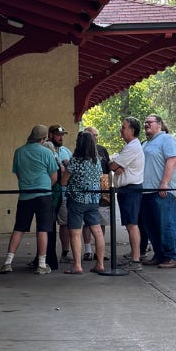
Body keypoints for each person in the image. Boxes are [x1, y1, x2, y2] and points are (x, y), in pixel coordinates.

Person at [0, 125, 57, 275]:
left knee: (19, 228)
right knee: (43, 229)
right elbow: (54, 176)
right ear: (42, 139)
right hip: (44, 194)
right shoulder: (47, 152)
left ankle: (7, 262)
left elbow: (18, 173)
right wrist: (45, 186)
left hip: (25, 195)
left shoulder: (19, 152)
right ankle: (42, 264)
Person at [59, 130, 105, 273]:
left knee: (75, 233)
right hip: (93, 199)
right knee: (97, 232)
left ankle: (77, 265)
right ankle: (100, 264)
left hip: (76, 200)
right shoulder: (97, 161)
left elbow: (63, 182)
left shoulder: (75, 161)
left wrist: (64, 169)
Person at [140, 114, 176, 267]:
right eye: (145, 122)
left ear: (159, 124)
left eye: (149, 122)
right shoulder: (145, 143)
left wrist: (164, 183)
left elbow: (173, 160)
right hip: (146, 191)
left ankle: (173, 257)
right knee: (151, 226)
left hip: (162, 190)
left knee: (166, 224)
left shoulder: (167, 139)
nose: (146, 124)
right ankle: (159, 255)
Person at [107, 117, 145, 266]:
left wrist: (114, 164)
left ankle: (135, 258)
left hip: (131, 189)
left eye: (124, 127)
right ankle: (135, 255)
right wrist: (116, 164)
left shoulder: (132, 147)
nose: (121, 130)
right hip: (127, 189)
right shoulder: (130, 146)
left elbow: (112, 166)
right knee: (130, 224)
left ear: (132, 130)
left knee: (132, 224)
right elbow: (115, 164)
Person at [81, 126, 111, 261]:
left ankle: (100, 251)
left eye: (97, 135)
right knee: (87, 222)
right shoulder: (81, 150)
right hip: (88, 191)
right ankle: (88, 250)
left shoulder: (102, 150)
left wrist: (108, 188)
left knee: (102, 220)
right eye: (93, 135)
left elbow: (108, 169)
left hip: (102, 189)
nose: (96, 137)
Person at [46, 125, 72, 263]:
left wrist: (67, 167)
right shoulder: (45, 150)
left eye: (62, 135)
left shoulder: (66, 151)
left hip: (64, 193)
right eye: (58, 135)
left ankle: (65, 253)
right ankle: (44, 255)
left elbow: (73, 170)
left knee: (65, 223)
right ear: (50, 135)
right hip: (48, 192)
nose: (61, 138)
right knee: (46, 225)